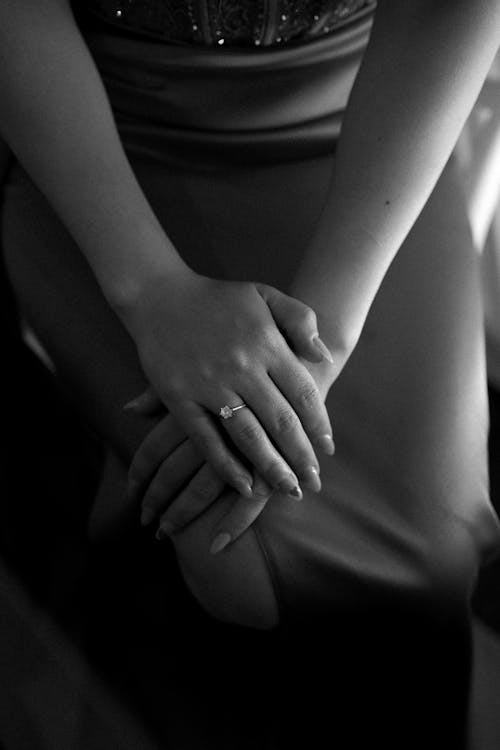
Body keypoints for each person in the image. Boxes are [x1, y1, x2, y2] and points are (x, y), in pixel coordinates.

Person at [1, 1, 500, 747]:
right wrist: (151, 293)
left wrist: (318, 345)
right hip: (102, 138)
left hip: (370, 142)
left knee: (427, 555)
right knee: (239, 565)